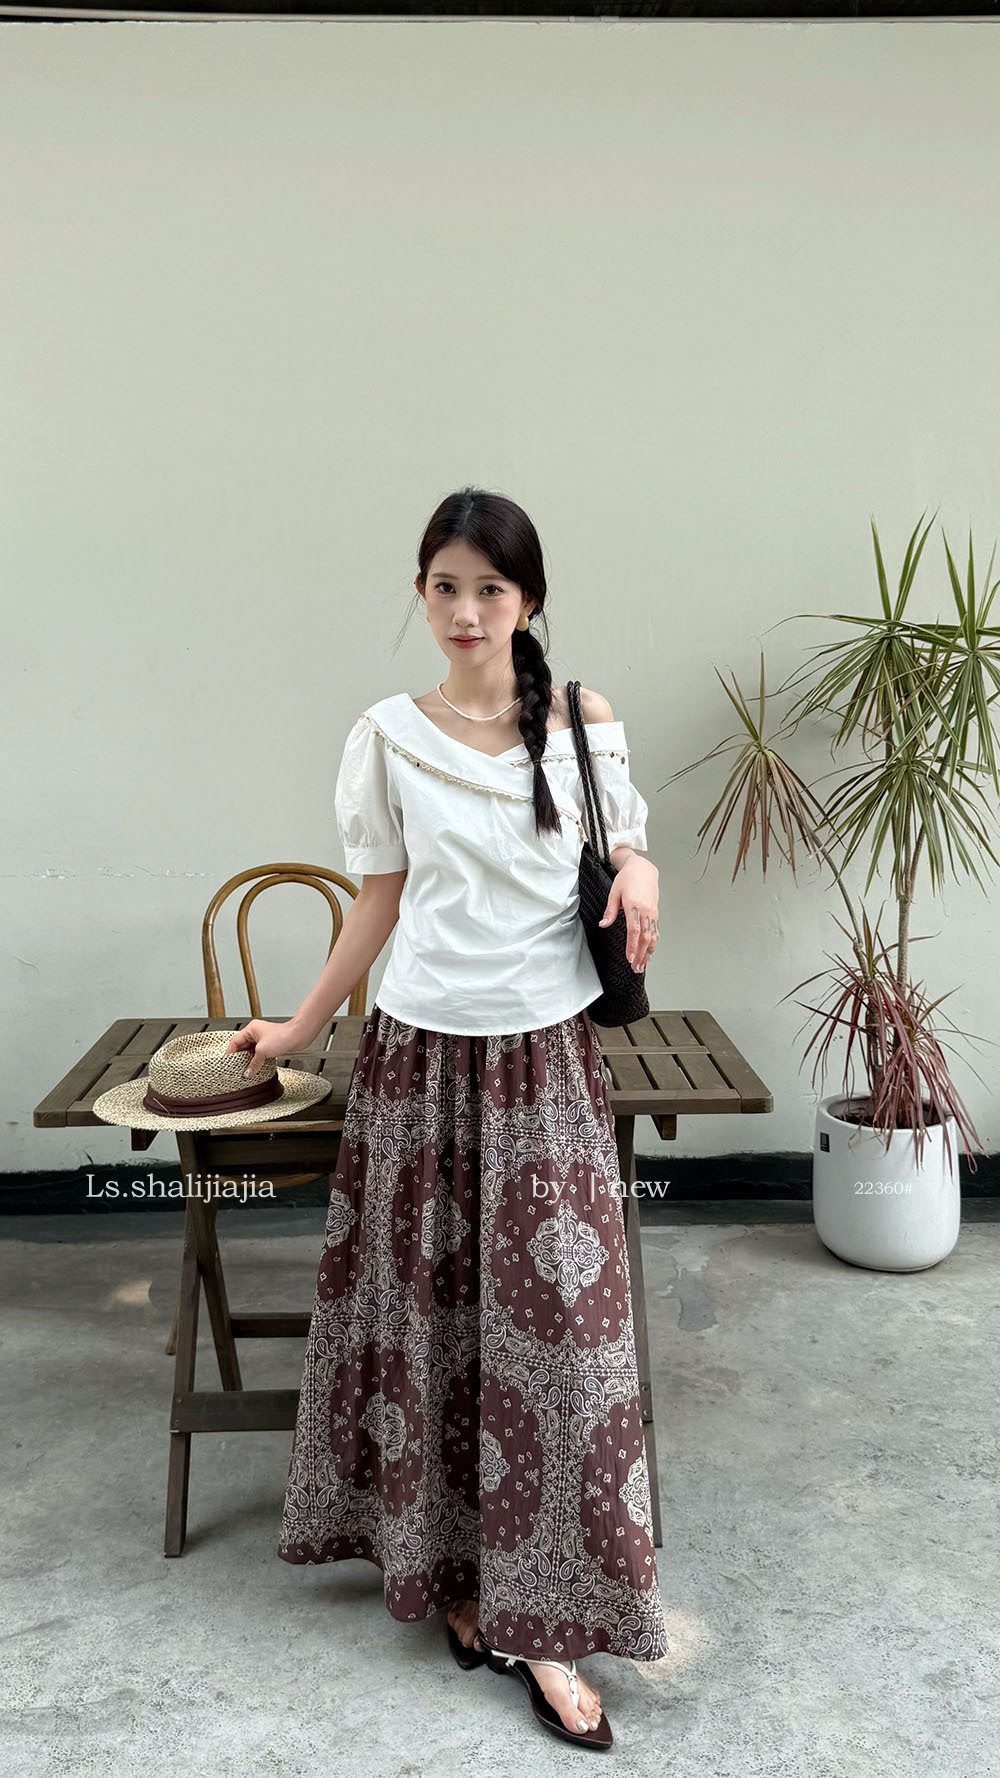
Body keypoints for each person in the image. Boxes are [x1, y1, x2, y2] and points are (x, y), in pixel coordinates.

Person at [227, 486, 665, 1749]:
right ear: (421, 593)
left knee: (564, 1343)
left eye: (489, 588)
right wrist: (299, 1026)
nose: (466, 611)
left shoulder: (582, 717)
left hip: (546, 1059)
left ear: (528, 598)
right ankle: (462, 1582)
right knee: (433, 1326)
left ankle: (550, 1622)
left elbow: (628, 843)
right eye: (443, 587)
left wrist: (641, 868)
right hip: (418, 1059)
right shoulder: (386, 733)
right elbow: (379, 895)